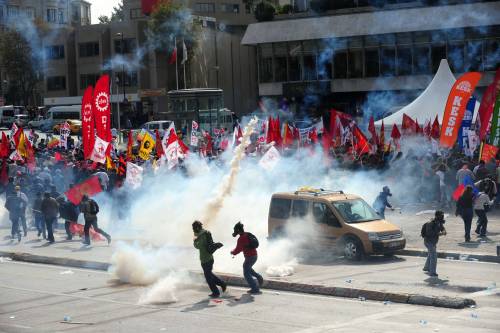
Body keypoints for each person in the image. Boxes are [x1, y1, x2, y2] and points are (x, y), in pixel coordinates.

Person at [192, 221, 226, 298]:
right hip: (205, 258)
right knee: (209, 275)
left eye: (193, 228)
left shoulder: (202, 235)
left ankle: (216, 292)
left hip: (207, 259)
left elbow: (199, 246)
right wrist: (195, 240)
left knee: (208, 277)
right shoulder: (201, 234)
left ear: (197, 227)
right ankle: (222, 284)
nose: (193, 229)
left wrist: (194, 241)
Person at [230, 222, 263, 294]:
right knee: (247, 268)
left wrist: (233, 252)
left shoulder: (241, 238)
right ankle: (259, 277)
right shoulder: (247, 234)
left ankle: (255, 288)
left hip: (250, 257)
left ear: (238, 230)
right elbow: (243, 247)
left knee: (246, 273)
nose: (234, 232)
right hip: (254, 255)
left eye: (235, 230)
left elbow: (238, 249)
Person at [421, 210, 446, 277]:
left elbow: (442, 228)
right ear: (437, 216)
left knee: (431, 254)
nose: (442, 217)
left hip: (433, 242)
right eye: (441, 215)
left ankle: (426, 267)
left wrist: (444, 231)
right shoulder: (431, 223)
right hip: (428, 242)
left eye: (442, 215)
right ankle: (432, 272)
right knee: (434, 256)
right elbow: (430, 233)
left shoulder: (439, 222)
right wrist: (441, 234)